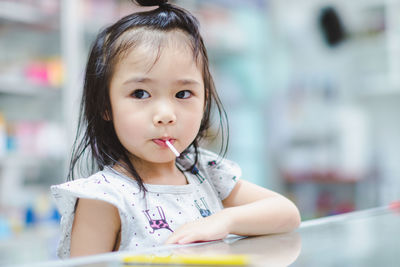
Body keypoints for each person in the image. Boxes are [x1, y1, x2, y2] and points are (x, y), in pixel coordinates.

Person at [51, 0, 301, 258]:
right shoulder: (104, 197)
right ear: (105, 105)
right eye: (140, 93)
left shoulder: (205, 172)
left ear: (205, 99)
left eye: (183, 93)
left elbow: (286, 213)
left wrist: (225, 220)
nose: (166, 115)